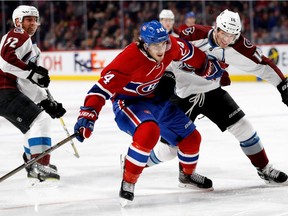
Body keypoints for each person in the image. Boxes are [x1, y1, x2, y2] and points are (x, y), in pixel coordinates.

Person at [74, 20, 225, 204]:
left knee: (192, 139)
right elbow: (99, 90)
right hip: (129, 103)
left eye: (163, 42)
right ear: (145, 45)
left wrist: (208, 68)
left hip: (156, 101)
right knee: (149, 132)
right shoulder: (129, 59)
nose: (161, 48)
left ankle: (187, 176)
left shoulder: (172, 46)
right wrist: (88, 114)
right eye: (155, 44)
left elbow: (192, 54)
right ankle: (128, 181)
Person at [147, 9, 288, 188]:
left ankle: (264, 168)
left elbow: (262, 66)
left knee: (244, 127)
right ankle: (137, 163)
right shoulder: (193, 34)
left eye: (232, 35)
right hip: (183, 93)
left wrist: (282, 85)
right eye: (224, 33)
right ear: (216, 27)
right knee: (169, 149)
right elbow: (167, 56)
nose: (227, 40)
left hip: (212, 91)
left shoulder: (238, 45)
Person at [0, 5, 66, 182]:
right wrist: (32, 72)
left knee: (32, 127)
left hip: (8, 91)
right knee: (40, 121)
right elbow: (6, 61)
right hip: (3, 91)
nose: (33, 23)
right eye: (29, 19)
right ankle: (39, 165)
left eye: (35, 20)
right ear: (17, 22)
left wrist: (45, 101)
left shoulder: (31, 47)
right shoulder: (18, 35)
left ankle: (33, 164)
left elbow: (24, 81)